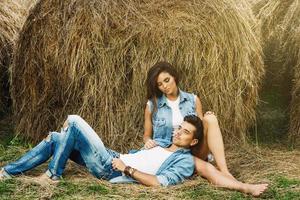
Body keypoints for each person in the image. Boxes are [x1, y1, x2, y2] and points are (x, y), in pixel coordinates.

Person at [143, 61, 268, 196]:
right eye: (160, 84)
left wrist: (207, 120)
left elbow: (199, 132)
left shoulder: (193, 99)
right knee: (206, 169)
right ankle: (243, 187)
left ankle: (224, 170)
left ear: (174, 77)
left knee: (210, 119)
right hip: (170, 152)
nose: (165, 86)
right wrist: (148, 141)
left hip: (193, 149)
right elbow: (146, 135)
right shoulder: (152, 105)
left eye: (167, 80)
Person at [0, 114, 203, 187]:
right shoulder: (162, 143)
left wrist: (127, 169)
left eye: (184, 132)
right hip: (115, 156)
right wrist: (147, 148)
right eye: (178, 128)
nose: (177, 133)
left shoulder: (185, 161)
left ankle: (53, 174)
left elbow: (160, 183)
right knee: (56, 138)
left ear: (193, 141)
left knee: (74, 120)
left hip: (113, 168)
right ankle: (7, 172)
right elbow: (142, 155)